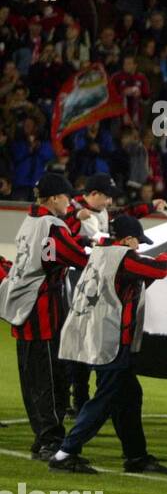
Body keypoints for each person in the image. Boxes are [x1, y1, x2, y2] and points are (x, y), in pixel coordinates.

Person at [48, 215, 167, 475]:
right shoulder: (124, 257)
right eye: (137, 242)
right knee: (105, 398)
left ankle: (136, 456)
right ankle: (65, 452)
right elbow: (159, 271)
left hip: (89, 334)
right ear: (127, 239)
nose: (138, 247)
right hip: (110, 339)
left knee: (129, 395)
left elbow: (129, 283)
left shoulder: (100, 253)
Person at [0, 173, 89, 461]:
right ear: (53, 199)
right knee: (52, 378)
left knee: (32, 377)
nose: (70, 202)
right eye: (66, 197)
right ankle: (51, 439)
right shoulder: (52, 226)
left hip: (23, 309)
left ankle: (41, 436)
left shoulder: (30, 221)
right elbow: (77, 258)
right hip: (43, 311)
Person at [65, 174, 167, 415]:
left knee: (89, 338)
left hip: (95, 275)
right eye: (106, 196)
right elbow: (59, 234)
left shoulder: (100, 213)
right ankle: (79, 400)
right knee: (82, 339)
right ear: (93, 194)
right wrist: (73, 218)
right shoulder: (72, 210)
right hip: (78, 277)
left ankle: (83, 401)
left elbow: (126, 216)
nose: (109, 202)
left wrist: (151, 206)